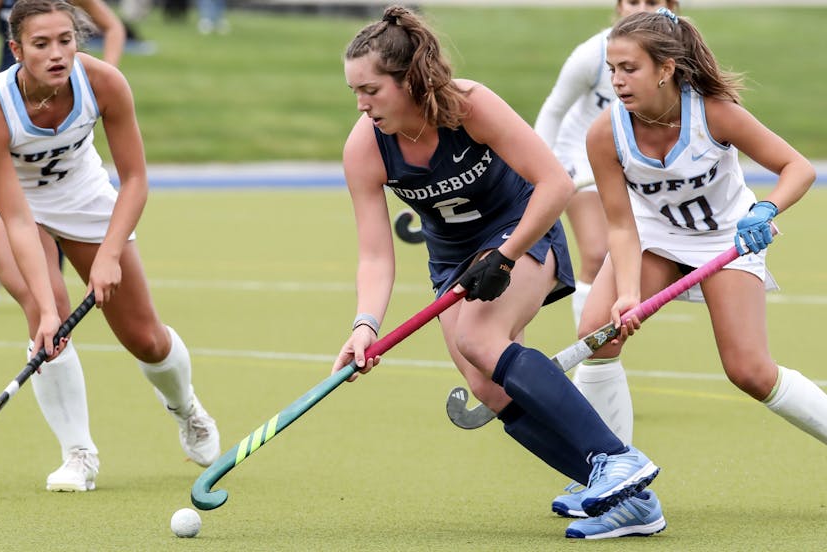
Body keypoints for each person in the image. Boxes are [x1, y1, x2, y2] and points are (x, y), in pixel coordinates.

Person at [333, 5, 663, 539]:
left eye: (371, 90)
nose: (361, 104)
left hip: (523, 228)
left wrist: (506, 254)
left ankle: (612, 455)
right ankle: (630, 497)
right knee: (485, 386)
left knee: (478, 335)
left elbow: (554, 183)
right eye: (355, 91)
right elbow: (375, 254)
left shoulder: (469, 106)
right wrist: (364, 324)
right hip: (452, 260)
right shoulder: (365, 147)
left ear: (409, 80)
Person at [577, 5, 827, 529]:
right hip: (653, 239)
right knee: (598, 336)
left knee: (749, 371)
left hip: (728, 238)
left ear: (666, 67)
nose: (617, 80)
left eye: (630, 68)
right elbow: (621, 227)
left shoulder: (713, 112)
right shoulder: (606, 134)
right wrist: (626, 293)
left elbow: (796, 168)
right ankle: (614, 479)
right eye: (612, 68)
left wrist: (765, 209)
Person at [0, 0, 220, 492]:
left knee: (145, 337)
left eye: (66, 40)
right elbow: (17, 219)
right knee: (51, 318)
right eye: (41, 44)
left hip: (82, 192)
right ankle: (78, 454)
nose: (57, 53)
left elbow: (136, 179)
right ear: (16, 49)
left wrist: (108, 255)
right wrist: (43, 308)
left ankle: (186, 407)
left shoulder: (103, 83)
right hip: (9, 204)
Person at [533, 0, 680, 521]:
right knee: (596, 253)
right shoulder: (591, 53)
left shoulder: (678, 56)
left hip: (635, 165)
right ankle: (593, 363)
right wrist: (539, 170)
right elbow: (554, 109)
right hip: (580, 157)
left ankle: (597, 368)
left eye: (654, 1)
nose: (641, 8)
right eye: (631, 1)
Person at [0, 0, 126, 306]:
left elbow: (113, 27)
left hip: (59, 101)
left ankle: (48, 280)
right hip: (11, 110)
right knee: (12, 200)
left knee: (60, 184)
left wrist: (105, 80)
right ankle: (1, 269)